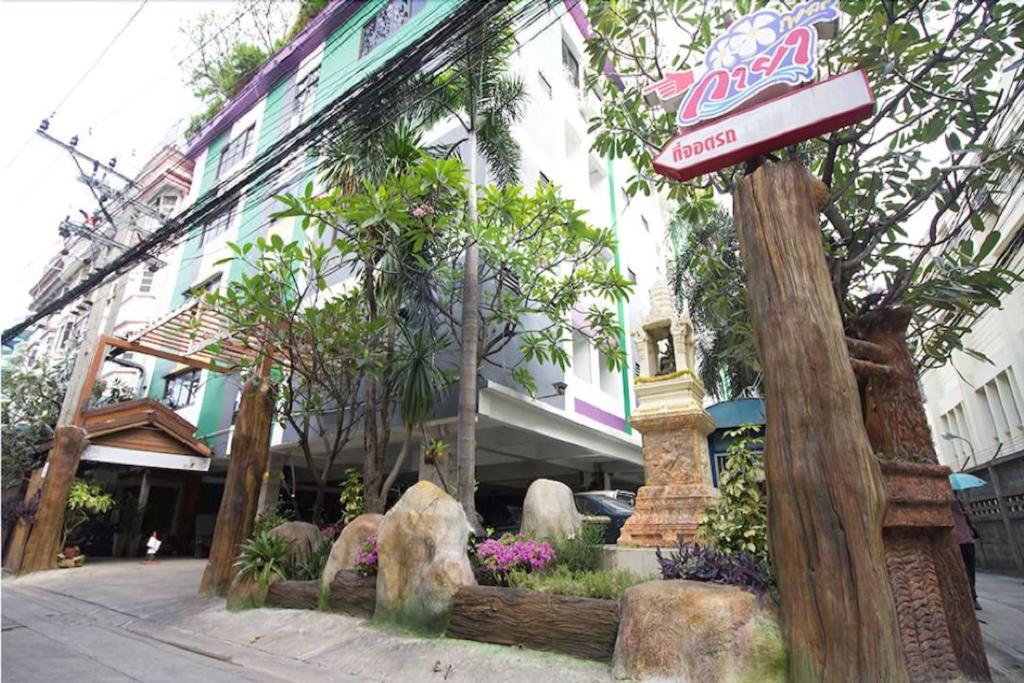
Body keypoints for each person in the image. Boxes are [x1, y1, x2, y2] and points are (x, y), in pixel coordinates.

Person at [951, 496, 981, 610]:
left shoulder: (961, 503)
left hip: (967, 540)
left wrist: (968, 513)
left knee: (971, 570)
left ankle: (973, 597)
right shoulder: (947, 504)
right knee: (959, 571)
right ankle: (965, 597)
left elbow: (968, 520)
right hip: (955, 542)